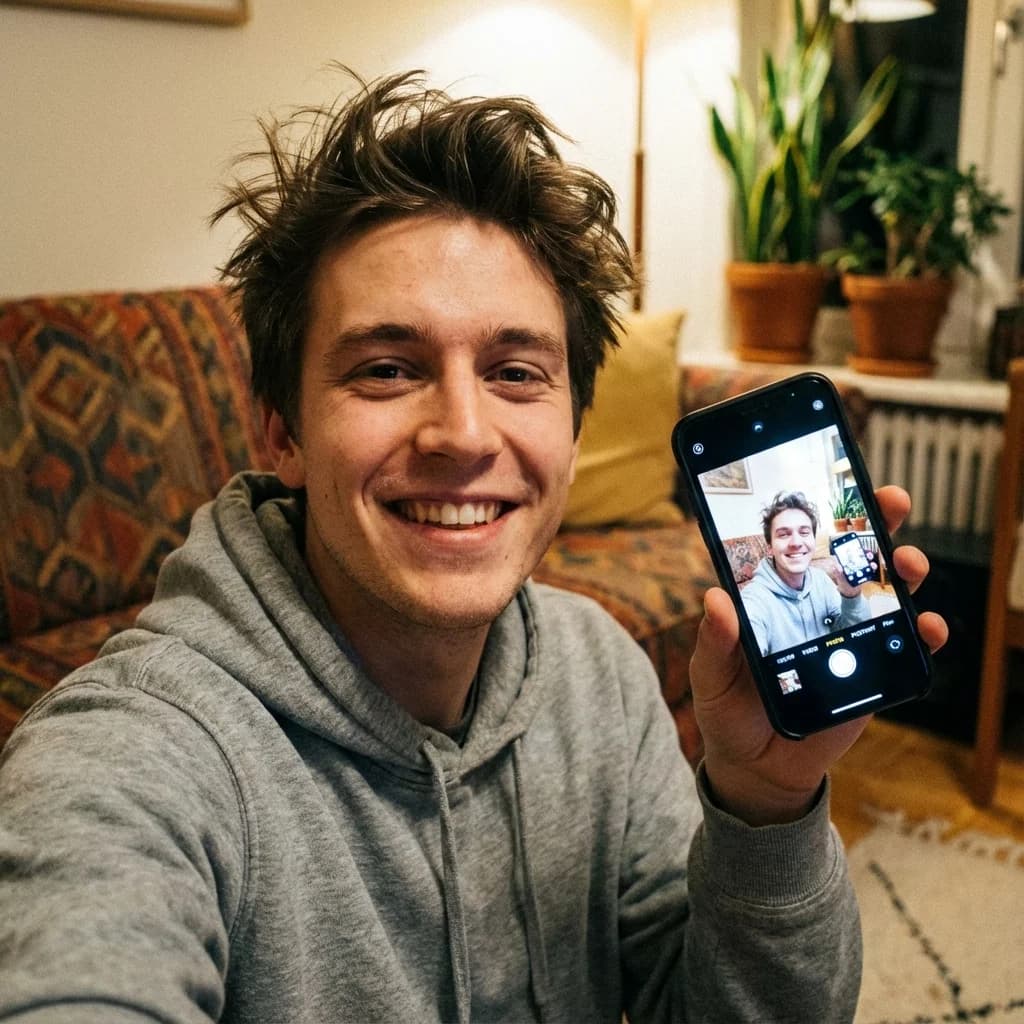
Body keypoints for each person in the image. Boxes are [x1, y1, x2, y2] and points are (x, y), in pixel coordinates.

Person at [0, 70, 946, 1023]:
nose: (462, 432)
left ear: (573, 431)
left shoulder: (599, 674)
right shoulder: (134, 755)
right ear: (280, 432)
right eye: (385, 368)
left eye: (515, 371)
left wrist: (766, 807)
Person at [742, 491, 876, 656]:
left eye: (804, 533)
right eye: (783, 534)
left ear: (813, 540)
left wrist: (851, 596)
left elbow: (857, 637)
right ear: (769, 547)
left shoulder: (821, 580)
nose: (796, 543)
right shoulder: (754, 599)